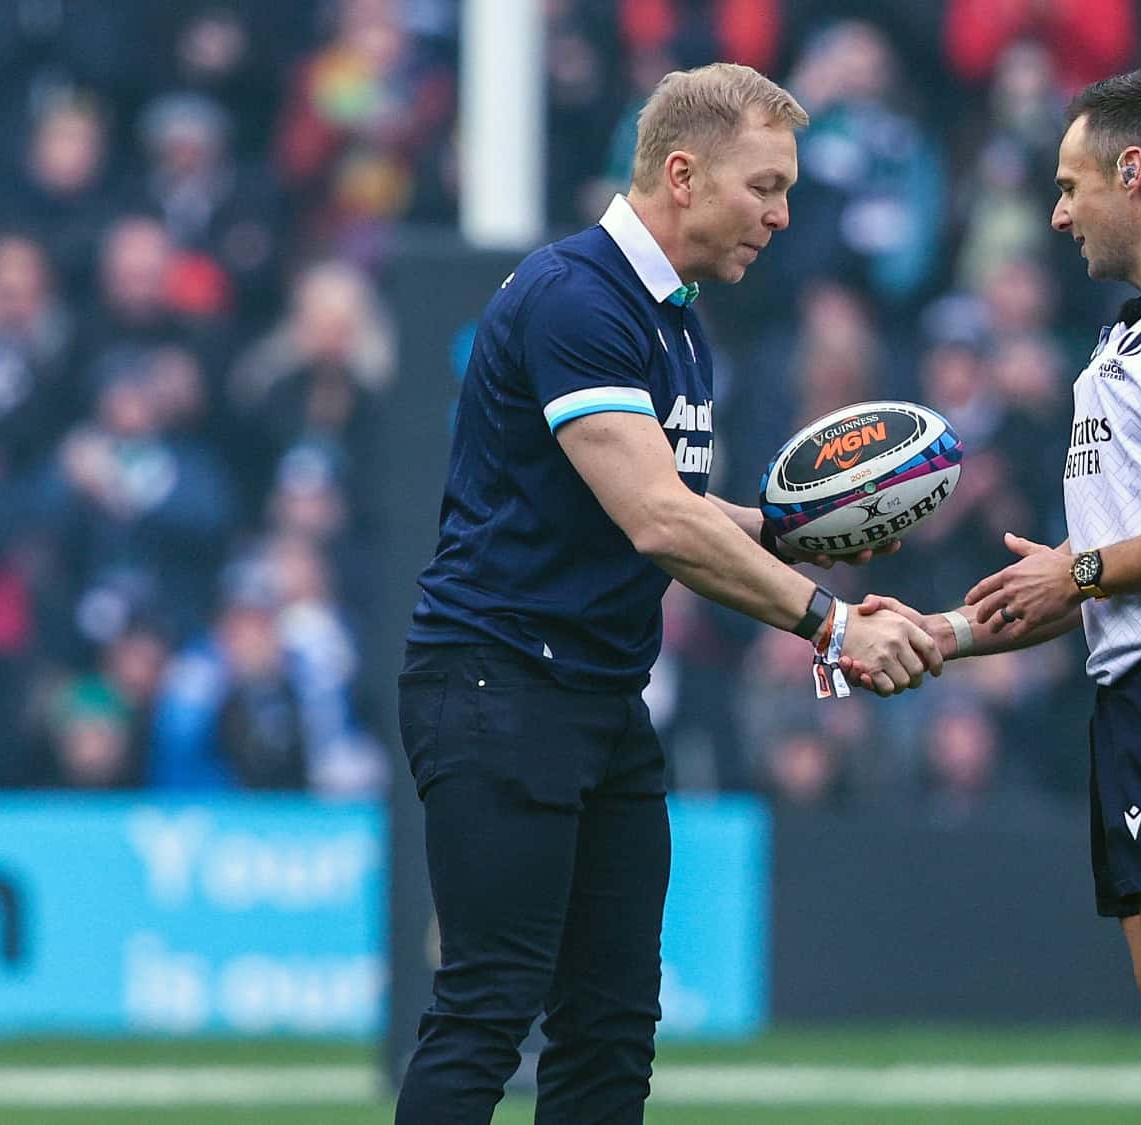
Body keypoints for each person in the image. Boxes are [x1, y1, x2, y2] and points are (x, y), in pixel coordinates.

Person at [394, 63, 939, 1124]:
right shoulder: (576, 299)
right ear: (682, 174)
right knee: (486, 1014)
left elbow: (668, 508)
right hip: (500, 688)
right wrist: (828, 624)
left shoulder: (676, 318)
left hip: (597, 701)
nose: (782, 217)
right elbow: (657, 518)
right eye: (765, 188)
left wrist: (795, 534)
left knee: (610, 1033)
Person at [847, 66, 1141, 1123]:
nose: (1056, 213)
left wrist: (1084, 569)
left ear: (1136, 170)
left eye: (1071, 185)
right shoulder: (1128, 336)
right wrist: (950, 632)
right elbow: (1104, 562)